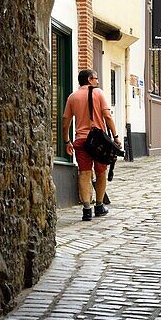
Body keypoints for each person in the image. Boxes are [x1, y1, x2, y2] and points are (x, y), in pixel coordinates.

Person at [62, 69, 121, 221]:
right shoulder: (98, 93)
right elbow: (107, 116)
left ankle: (86, 209)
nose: (98, 81)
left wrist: (66, 141)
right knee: (101, 172)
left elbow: (65, 122)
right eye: (95, 78)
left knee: (84, 173)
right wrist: (115, 136)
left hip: (81, 140)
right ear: (89, 79)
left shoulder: (72, 97)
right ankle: (99, 206)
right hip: (98, 140)